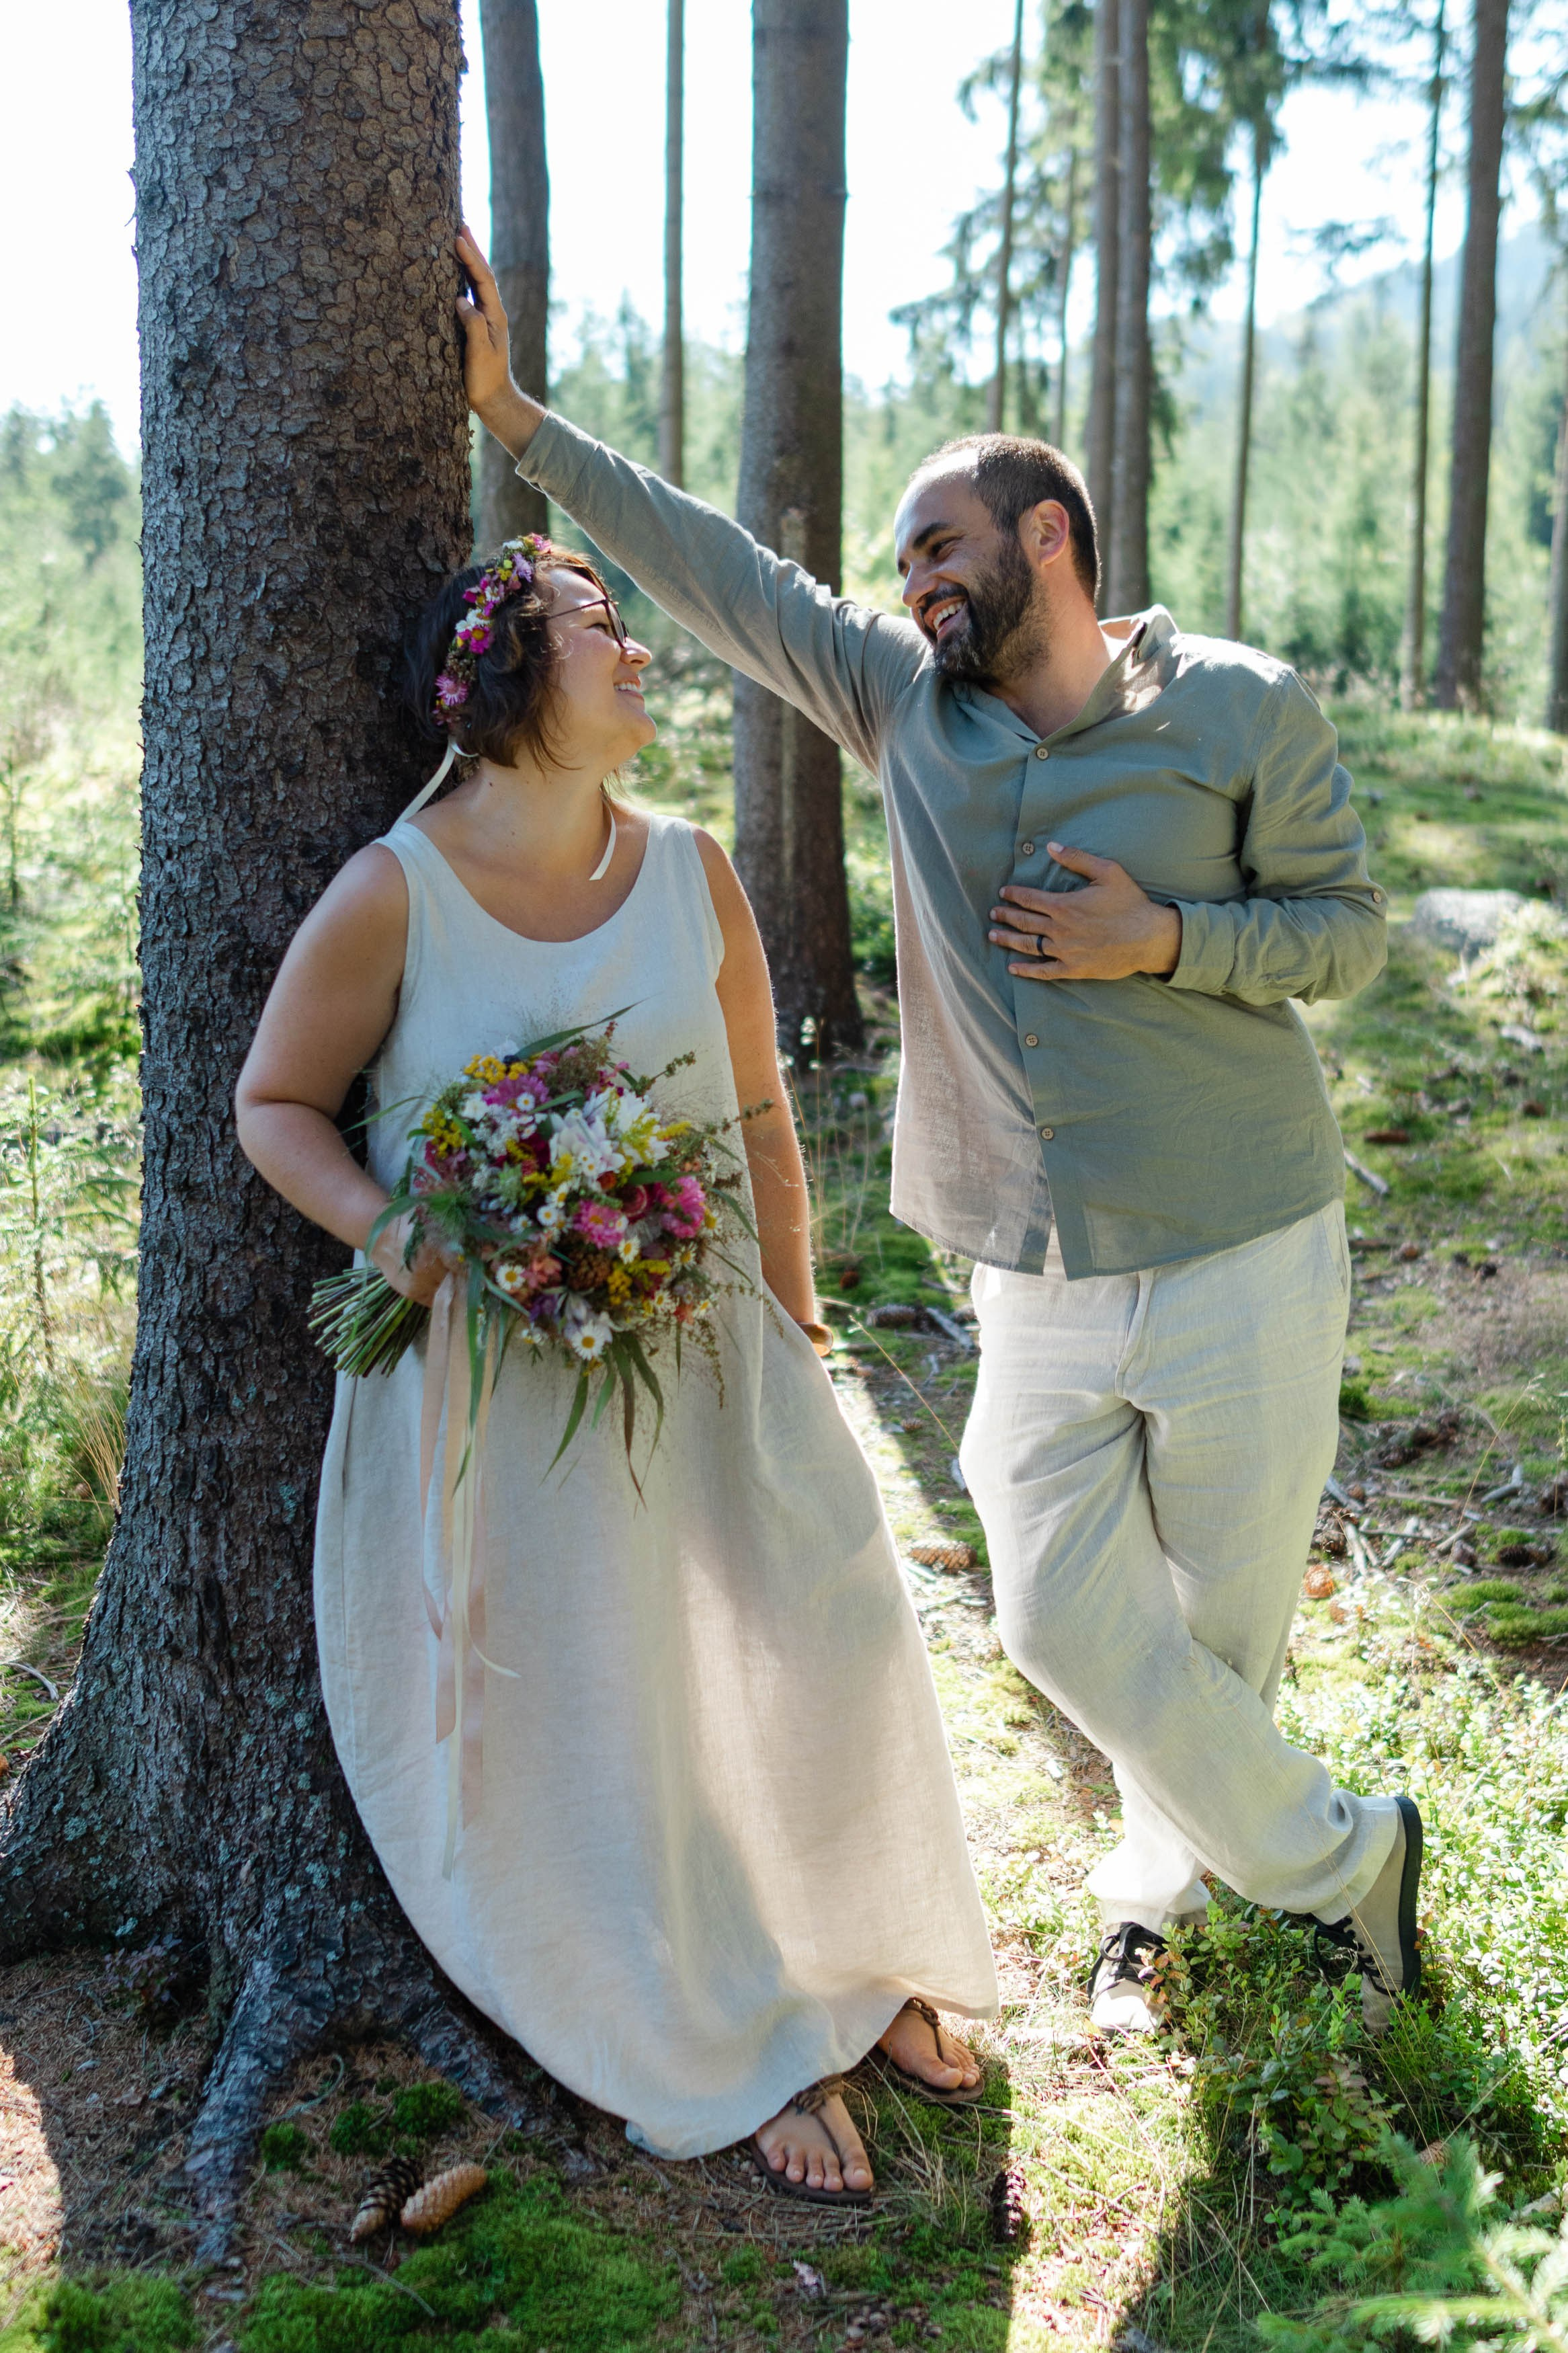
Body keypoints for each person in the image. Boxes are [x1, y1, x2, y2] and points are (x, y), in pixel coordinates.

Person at [450, 225, 1423, 2041]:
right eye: (899, 562)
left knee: (1217, 1630)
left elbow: (1347, 932)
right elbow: (717, 570)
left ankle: (1161, 1893)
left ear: (1044, 536)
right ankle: (1350, 1854)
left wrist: (1167, 939)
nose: (911, 584)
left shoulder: (1236, 705)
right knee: (1054, 1615)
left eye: (937, 547)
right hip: (1030, 1261)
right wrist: (517, 419)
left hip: (1246, 1237)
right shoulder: (905, 704)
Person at [235, 532, 998, 2202]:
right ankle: (710, 2034)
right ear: (504, 669)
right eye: (601, 622)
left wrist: (797, 1324)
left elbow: (760, 1117)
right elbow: (273, 1104)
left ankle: (859, 1952)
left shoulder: (691, 868)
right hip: (503, 1395)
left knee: (826, 1618)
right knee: (607, 1698)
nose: (636, 647)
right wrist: (390, 1229)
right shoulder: (396, 892)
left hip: (709, 1343)